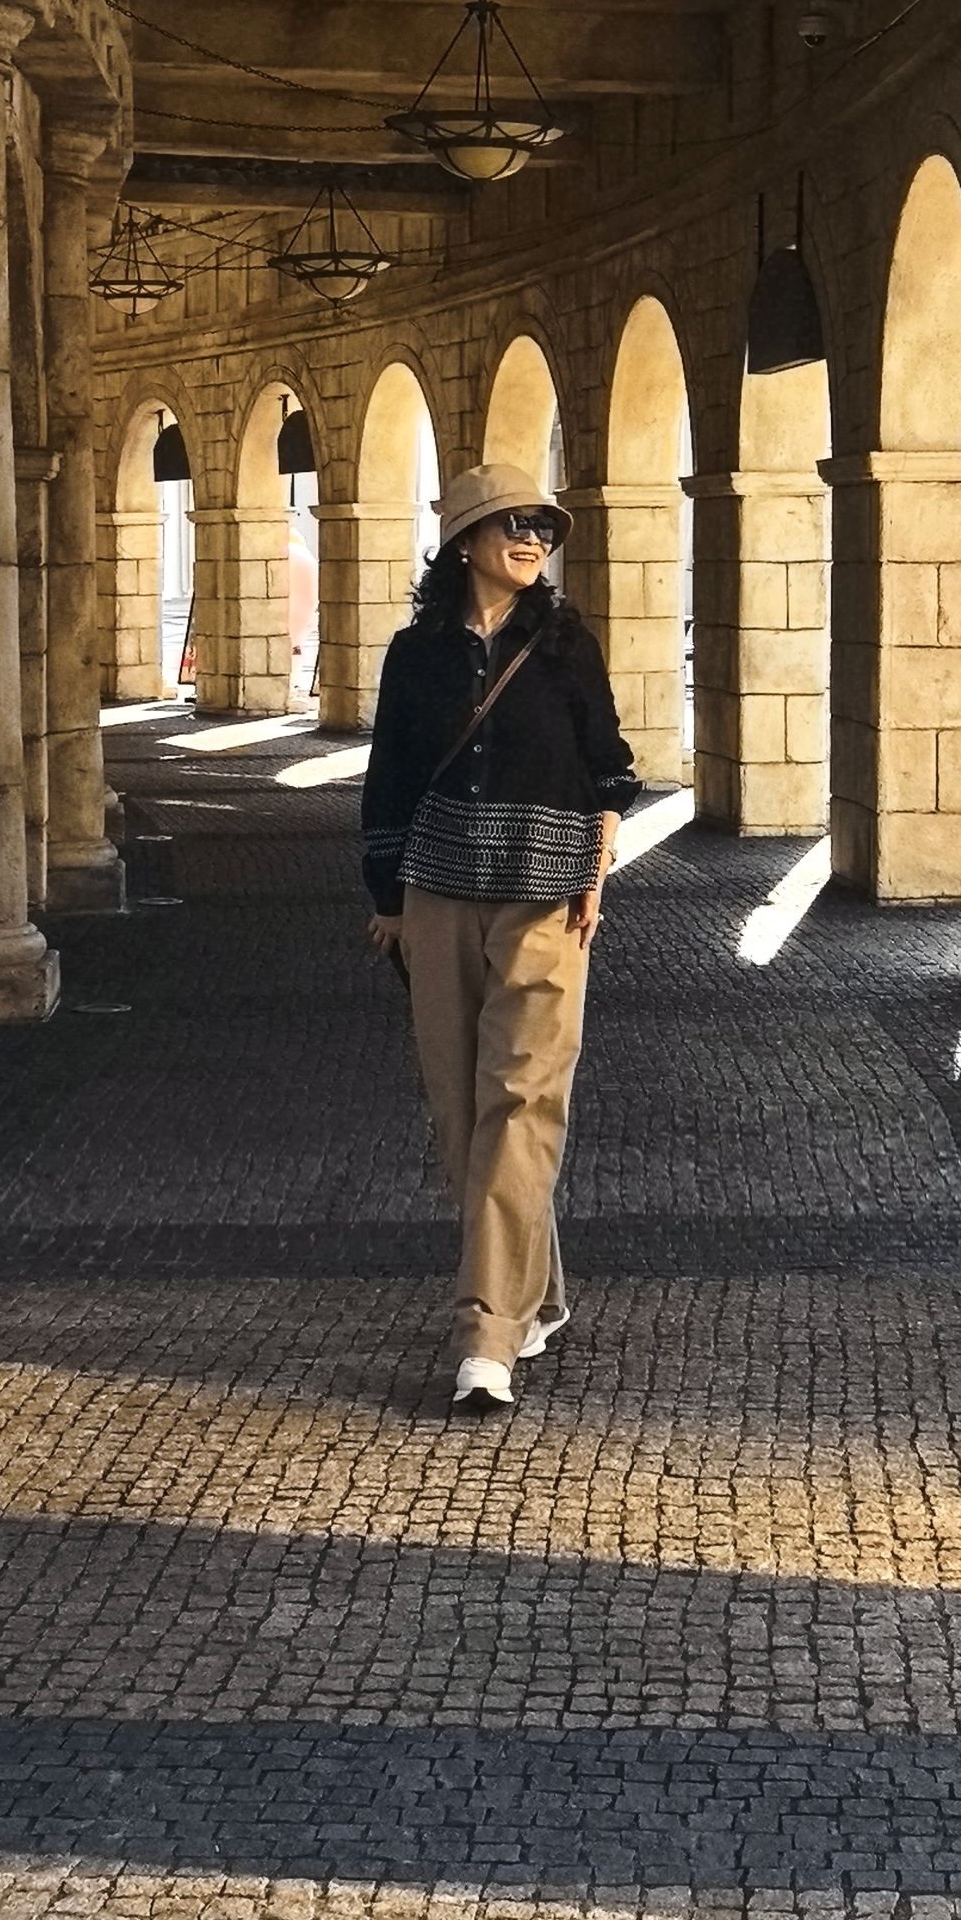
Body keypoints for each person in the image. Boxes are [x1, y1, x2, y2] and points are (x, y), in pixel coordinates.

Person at [361, 462, 639, 1413]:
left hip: (546, 900)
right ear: (465, 540)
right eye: (514, 523)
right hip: (436, 896)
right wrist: (387, 897)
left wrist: (598, 867)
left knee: (521, 1103)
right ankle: (540, 1291)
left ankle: (487, 1336)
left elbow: (611, 769)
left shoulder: (565, 645)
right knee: (462, 1115)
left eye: (543, 528)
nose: (532, 539)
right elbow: (389, 779)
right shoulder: (416, 654)